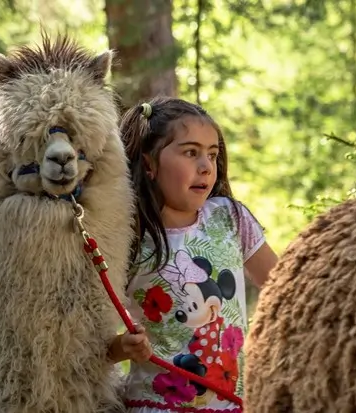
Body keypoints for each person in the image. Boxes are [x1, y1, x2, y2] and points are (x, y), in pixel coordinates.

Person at [106, 96, 279, 412]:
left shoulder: (231, 217)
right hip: (158, 405)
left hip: (236, 404)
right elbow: (92, 344)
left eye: (212, 155)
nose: (206, 167)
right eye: (191, 152)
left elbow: (284, 289)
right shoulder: (126, 237)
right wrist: (122, 347)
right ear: (149, 163)